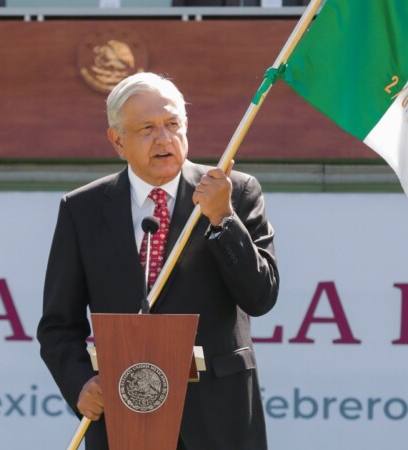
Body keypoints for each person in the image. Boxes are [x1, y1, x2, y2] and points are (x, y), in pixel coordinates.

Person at [37, 72, 279, 450]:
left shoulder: (233, 192)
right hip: (125, 413)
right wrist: (79, 383)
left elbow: (261, 297)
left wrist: (223, 220)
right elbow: (57, 325)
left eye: (172, 124)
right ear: (117, 140)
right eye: (147, 128)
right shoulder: (81, 210)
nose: (164, 139)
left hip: (220, 419)